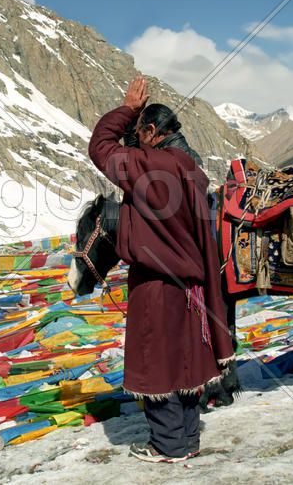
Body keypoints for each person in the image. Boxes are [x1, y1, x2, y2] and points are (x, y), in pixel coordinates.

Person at [88, 75, 236, 463]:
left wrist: (127, 109)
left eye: (139, 134)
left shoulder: (150, 167)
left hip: (156, 284)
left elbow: (100, 147)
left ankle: (167, 445)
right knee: (185, 360)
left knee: (156, 361)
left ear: (152, 132)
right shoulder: (193, 171)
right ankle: (187, 439)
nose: (135, 142)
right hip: (192, 288)